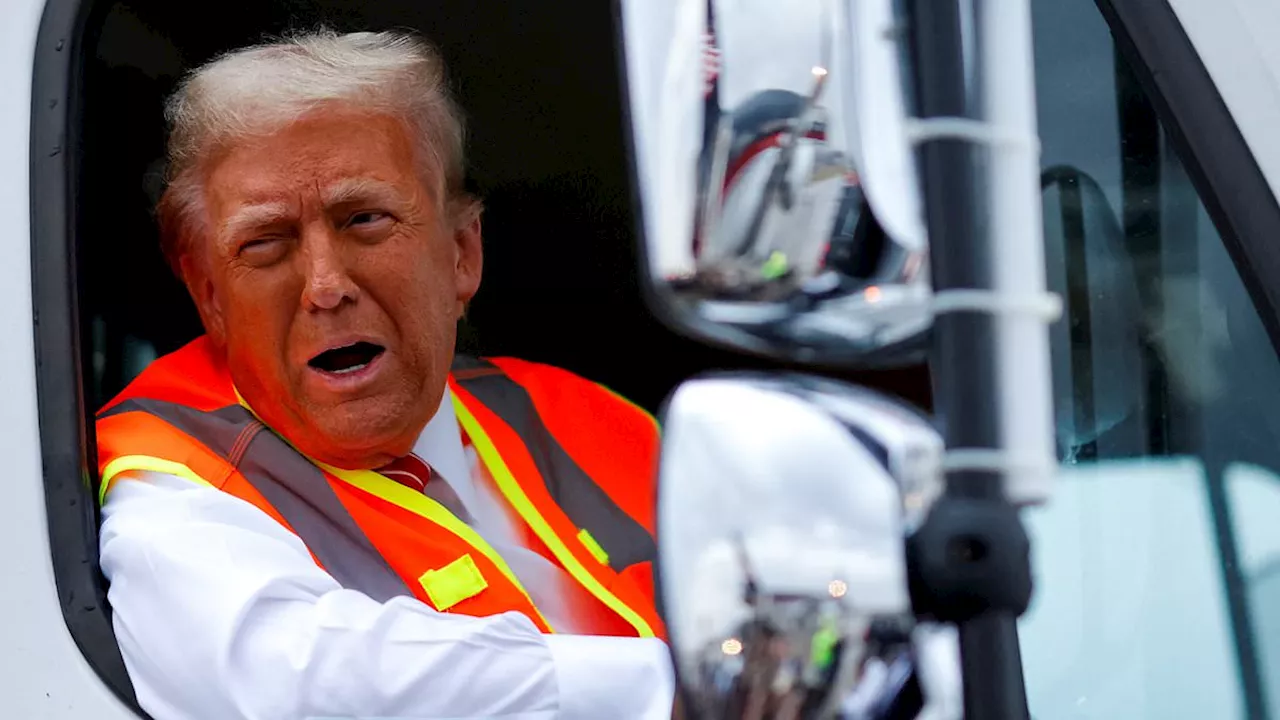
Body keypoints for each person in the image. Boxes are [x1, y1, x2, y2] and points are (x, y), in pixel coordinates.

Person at [95, 27, 676, 720]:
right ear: (210, 297)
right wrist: (676, 692)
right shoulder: (168, 473)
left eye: (364, 220)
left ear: (462, 254)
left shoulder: (587, 418)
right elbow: (300, 681)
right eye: (267, 242)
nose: (324, 285)